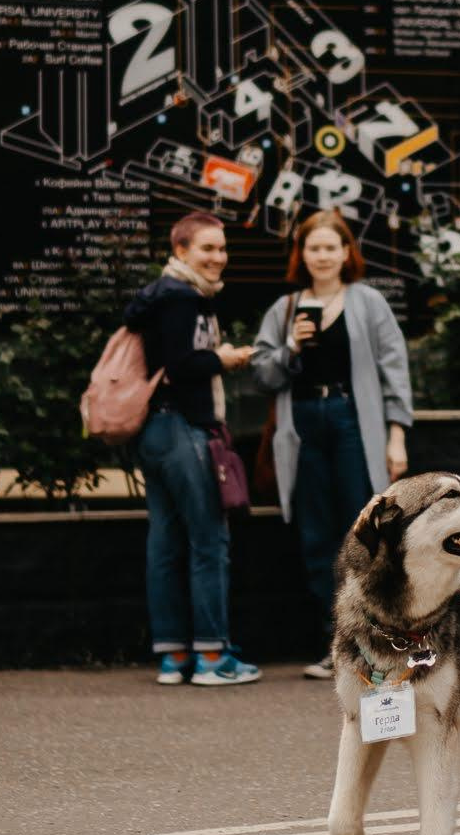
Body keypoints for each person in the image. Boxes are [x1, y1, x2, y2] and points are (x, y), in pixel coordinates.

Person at [252, 209, 414, 680]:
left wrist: (396, 434)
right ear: (301, 255)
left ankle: (378, 644)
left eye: (330, 247)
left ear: (347, 253)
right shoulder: (284, 310)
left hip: (351, 421)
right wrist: (291, 348)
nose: (322, 256)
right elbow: (262, 373)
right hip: (301, 426)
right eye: (313, 248)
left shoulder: (367, 302)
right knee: (316, 537)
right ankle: (335, 647)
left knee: (363, 536)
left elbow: (394, 368)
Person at [124, 211, 262, 687]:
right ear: (180, 251)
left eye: (222, 249)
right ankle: (210, 658)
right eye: (207, 248)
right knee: (209, 542)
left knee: (164, 543)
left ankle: (173, 656)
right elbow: (184, 366)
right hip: (185, 429)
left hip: (155, 432)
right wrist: (223, 358)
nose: (218, 258)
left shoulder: (158, 296)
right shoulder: (185, 299)